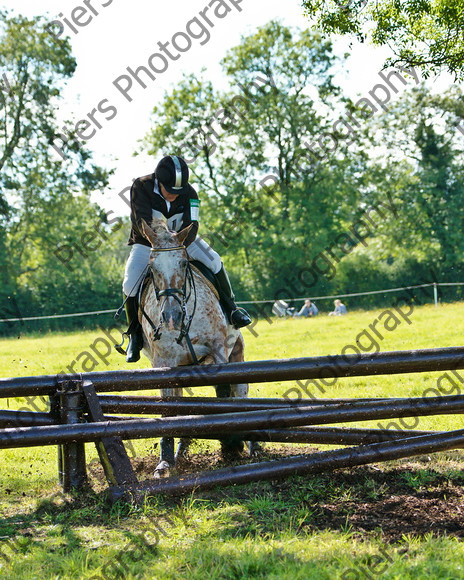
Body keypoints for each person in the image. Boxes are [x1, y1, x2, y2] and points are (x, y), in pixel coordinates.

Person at [120, 155, 252, 363]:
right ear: (159, 182)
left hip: (183, 242)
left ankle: (232, 309)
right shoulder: (141, 186)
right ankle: (134, 336)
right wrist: (159, 241)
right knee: (129, 284)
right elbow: (140, 220)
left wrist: (179, 245)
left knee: (215, 261)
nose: (174, 195)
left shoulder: (190, 193)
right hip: (149, 244)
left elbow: (193, 224)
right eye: (170, 190)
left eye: (177, 192)